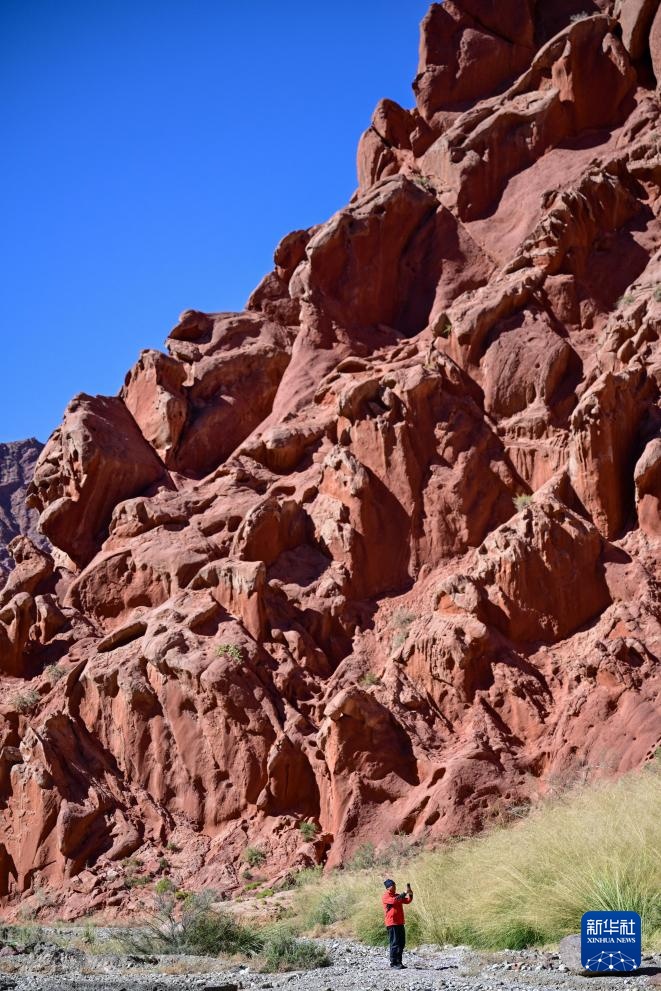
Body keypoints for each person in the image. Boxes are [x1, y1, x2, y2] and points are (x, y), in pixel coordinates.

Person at [382, 878, 413, 969]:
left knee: (401, 943)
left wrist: (410, 893)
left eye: (395, 885)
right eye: (392, 885)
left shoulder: (397, 895)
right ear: (388, 888)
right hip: (391, 923)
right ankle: (393, 963)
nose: (394, 887)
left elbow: (407, 901)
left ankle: (399, 962)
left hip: (400, 922)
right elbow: (394, 900)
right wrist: (405, 892)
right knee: (394, 943)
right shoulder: (385, 896)